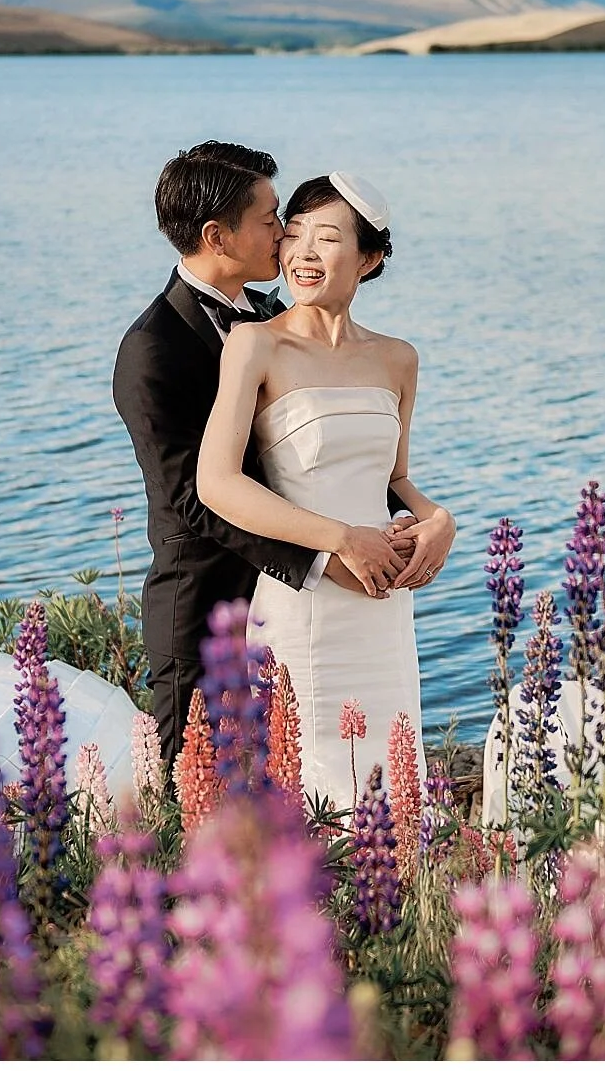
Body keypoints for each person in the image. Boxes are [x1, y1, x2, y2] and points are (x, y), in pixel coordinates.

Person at [113, 143, 423, 769]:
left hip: (333, 587)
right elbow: (194, 497)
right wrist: (326, 556)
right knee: (194, 791)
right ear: (217, 236)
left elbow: (335, 459)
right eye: (272, 219)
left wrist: (429, 520)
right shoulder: (153, 348)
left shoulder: (274, 316)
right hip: (206, 604)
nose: (285, 236)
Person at [198, 170, 454, 809]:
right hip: (304, 598)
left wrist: (437, 520)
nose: (304, 253)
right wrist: (340, 540)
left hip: (383, 597)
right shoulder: (255, 344)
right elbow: (216, 482)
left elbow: (394, 478)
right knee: (306, 777)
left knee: (393, 779)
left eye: (329, 238)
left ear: (369, 259)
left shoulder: (398, 358)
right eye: (294, 234)